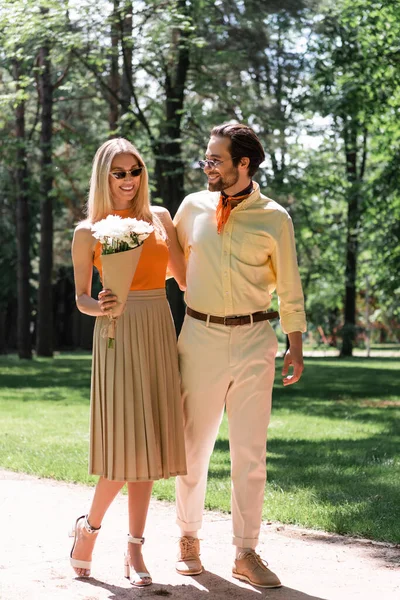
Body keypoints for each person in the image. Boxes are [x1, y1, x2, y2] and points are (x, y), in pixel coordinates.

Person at [173, 123, 306, 588]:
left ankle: (245, 551)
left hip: (254, 339)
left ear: (242, 164)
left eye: (215, 160)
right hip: (199, 334)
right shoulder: (191, 208)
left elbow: (289, 283)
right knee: (193, 445)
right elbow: (168, 261)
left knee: (251, 451)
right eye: (207, 159)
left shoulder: (275, 218)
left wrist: (295, 343)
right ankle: (188, 538)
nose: (207, 166)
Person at [70, 138, 187, 587]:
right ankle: (89, 528)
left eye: (134, 170)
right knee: (124, 445)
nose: (128, 180)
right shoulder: (88, 230)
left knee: (151, 443)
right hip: (116, 330)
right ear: (104, 177)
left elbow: (181, 272)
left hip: (159, 325)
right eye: (118, 173)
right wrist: (99, 306)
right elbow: (81, 297)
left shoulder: (159, 218)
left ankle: (135, 550)